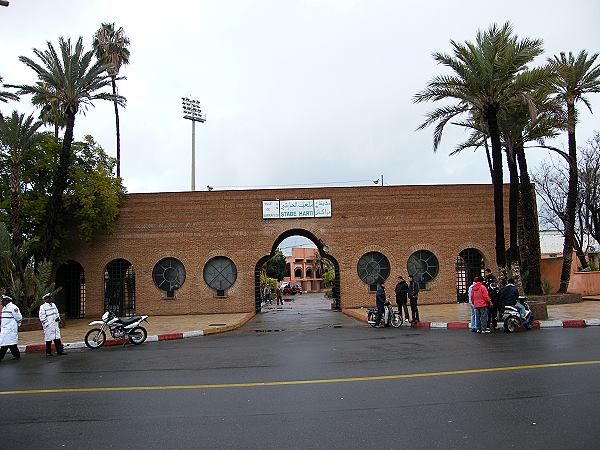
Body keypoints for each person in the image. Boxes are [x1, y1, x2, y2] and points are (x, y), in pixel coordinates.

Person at [0, 294, 22, 362]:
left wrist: (17, 325)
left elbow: (19, 317)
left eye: (3, 301)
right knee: (11, 343)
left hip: (10, 329)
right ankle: (16, 354)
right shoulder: (5, 308)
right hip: (5, 328)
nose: (2, 302)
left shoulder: (13, 307)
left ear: (7, 301)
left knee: (4, 343)